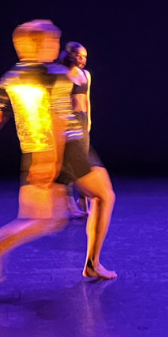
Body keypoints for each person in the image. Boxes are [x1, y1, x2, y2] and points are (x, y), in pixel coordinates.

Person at [0, 20, 116, 297]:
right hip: (68, 150)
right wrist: (50, 162)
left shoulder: (12, 75)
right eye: (52, 41)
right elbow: (58, 121)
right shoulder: (55, 74)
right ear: (37, 45)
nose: (56, 45)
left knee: (39, 220)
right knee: (103, 196)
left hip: (33, 150)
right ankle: (92, 263)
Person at [59, 42, 93, 217]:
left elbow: (87, 100)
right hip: (68, 121)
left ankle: (83, 199)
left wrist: (88, 121)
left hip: (82, 119)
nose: (82, 59)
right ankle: (69, 204)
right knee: (69, 164)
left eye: (85, 56)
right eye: (79, 55)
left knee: (83, 162)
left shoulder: (86, 75)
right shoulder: (63, 75)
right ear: (70, 55)